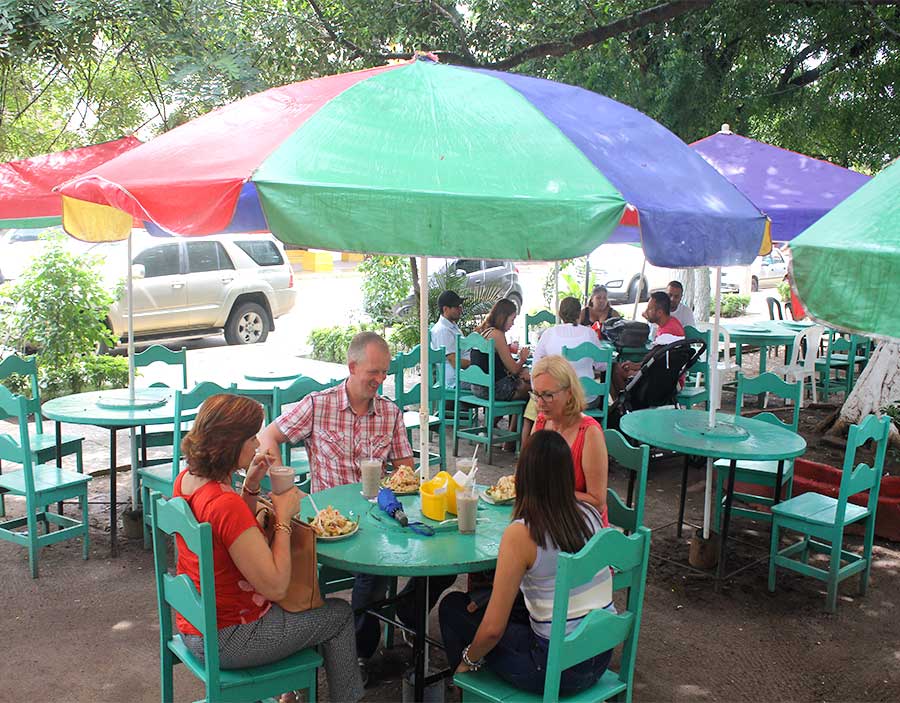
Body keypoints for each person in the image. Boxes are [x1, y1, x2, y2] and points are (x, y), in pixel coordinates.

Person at [256, 331, 453, 681]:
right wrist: (281, 482)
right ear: (352, 366)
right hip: (331, 525)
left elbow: (405, 465)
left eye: (384, 373)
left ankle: (406, 610)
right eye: (373, 372)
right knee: (373, 571)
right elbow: (268, 435)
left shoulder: (390, 412)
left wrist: (403, 478)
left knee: (444, 554)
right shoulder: (320, 405)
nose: (379, 380)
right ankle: (360, 652)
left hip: (379, 519)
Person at [173, 393, 363, 703]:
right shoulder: (225, 504)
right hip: (230, 638)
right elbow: (275, 586)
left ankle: (295, 692)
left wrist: (250, 487)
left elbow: (229, 535)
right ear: (230, 443)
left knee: (307, 610)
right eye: (251, 438)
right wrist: (284, 520)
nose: (258, 446)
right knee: (338, 615)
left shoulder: (187, 481)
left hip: (196, 625)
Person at [439, 430, 614, 696]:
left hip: (554, 670)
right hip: (600, 656)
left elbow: (493, 631)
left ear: (524, 475)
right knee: (501, 605)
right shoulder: (591, 514)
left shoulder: (522, 533)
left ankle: (465, 688)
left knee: (453, 607)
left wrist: (468, 660)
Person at [529, 355, 609, 521]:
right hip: (549, 516)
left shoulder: (589, 433)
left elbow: (598, 502)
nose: (540, 403)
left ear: (570, 394)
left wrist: (550, 493)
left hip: (580, 524)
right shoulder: (542, 422)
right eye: (537, 394)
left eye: (548, 395)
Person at [521, 297, 605, 444]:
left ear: (560, 314)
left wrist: (539, 393)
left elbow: (536, 367)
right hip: (587, 398)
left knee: (534, 405)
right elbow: (602, 365)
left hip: (555, 399)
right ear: (580, 314)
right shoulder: (590, 334)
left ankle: (527, 448)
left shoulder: (549, 334)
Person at [611, 291, 685, 396]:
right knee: (619, 368)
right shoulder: (672, 323)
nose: (645, 312)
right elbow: (656, 360)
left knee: (615, 370)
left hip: (665, 382)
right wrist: (636, 365)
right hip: (667, 376)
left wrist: (635, 371)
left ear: (659, 312)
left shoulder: (667, 334)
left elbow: (656, 367)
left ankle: (627, 405)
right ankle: (625, 405)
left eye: (649, 309)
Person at [471, 298, 530, 402]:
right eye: (512, 319)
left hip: (477, 387)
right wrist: (522, 358)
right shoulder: (497, 334)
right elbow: (514, 370)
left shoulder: (484, 331)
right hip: (491, 389)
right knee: (530, 389)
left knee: (523, 379)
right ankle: (518, 418)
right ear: (503, 318)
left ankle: (499, 419)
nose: (513, 323)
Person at [431, 289, 468, 389]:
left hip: (463, 377)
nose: (460, 309)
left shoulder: (451, 326)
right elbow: (455, 362)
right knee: (494, 383)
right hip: (455, 382)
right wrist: (478, 364)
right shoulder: (443, 330)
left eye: (460, 306)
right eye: (456, 307)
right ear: (445, 309)